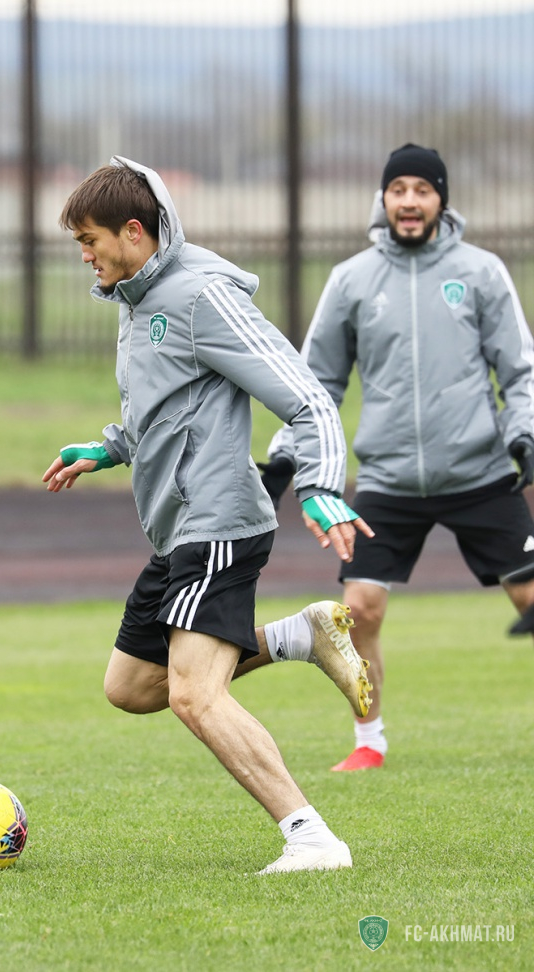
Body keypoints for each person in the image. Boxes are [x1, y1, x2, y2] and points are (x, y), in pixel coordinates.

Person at [43, 156, 373, 875]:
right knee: (133, 687)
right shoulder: (136, 303)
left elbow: (308, 400)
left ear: (134, 232)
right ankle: (299, 636)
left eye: (90, 240)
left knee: (195, 694)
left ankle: (313, 839)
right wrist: (109, 448)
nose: (84, 256)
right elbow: (166, 409)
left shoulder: (202, 298)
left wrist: (321, 485)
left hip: (217, 522)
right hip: (178, 529)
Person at [260, 143, 534, 772]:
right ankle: (370, 742)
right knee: (359, 611)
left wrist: (525, 436)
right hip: (387, 479)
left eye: (422, 190)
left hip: (480, 472)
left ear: (441, 199)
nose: (409, 201)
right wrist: (284, 459)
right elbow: (314, 385)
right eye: (398, 190)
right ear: (383, 199)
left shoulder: (482, 271)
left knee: (530, 598)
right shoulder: (352, 280)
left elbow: (519, 370)